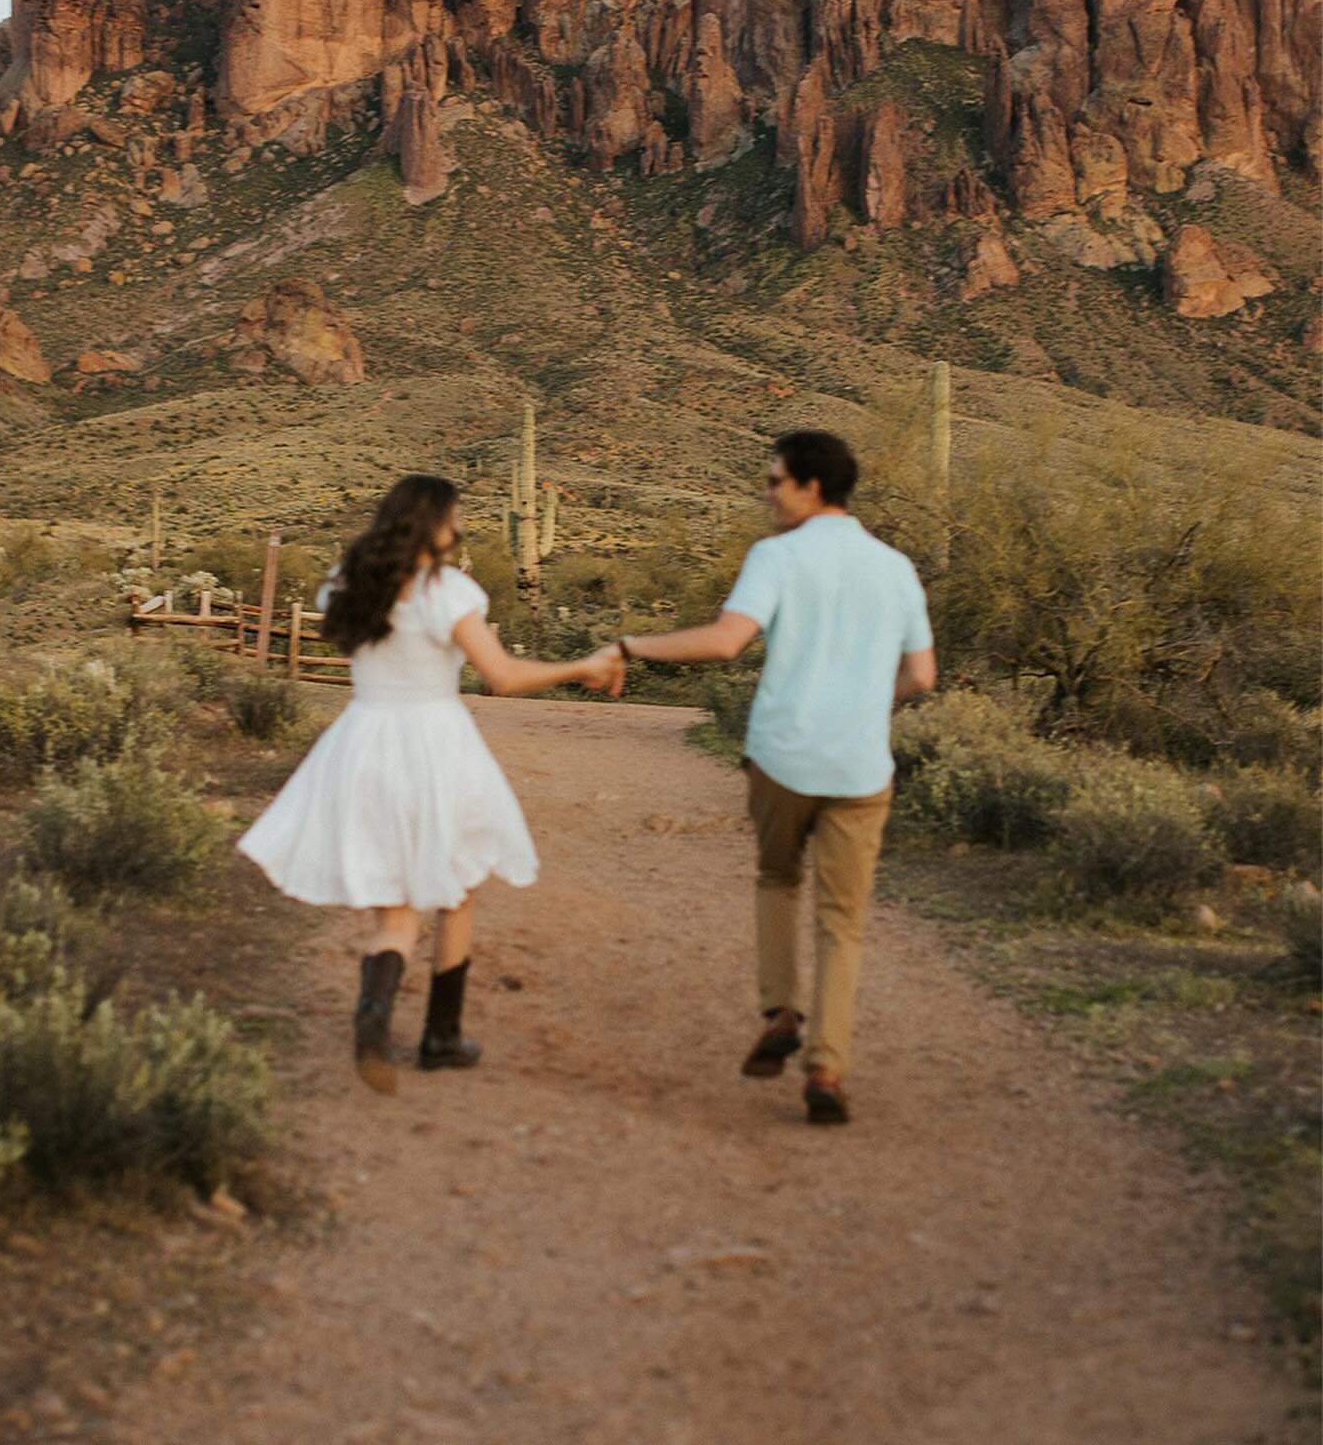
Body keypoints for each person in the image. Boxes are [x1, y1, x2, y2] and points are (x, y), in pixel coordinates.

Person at [236, 474, 623, 1093]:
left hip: (361, 740)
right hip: (435, 742)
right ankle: (441, 1038)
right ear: (435, 522)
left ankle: (374, 1013)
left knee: (394, 913)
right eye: (454, 515)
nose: (459, 524)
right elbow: (501, 676)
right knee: (459, 885)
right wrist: (582, 664)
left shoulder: (350, 583)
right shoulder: (447, 592)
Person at [615, 431, 935, 1126]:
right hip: (859, 766)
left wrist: (629, 645)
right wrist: (862, 702)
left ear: (811, 487)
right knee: (843, 920)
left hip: (784, 756)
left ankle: (781, 1009)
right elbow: (921, 676)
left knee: (778, 879)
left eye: (775, 481)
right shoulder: (897, 568)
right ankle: (827, 1065)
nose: (767, 493)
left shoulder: (778, 557)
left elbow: (726, 641)